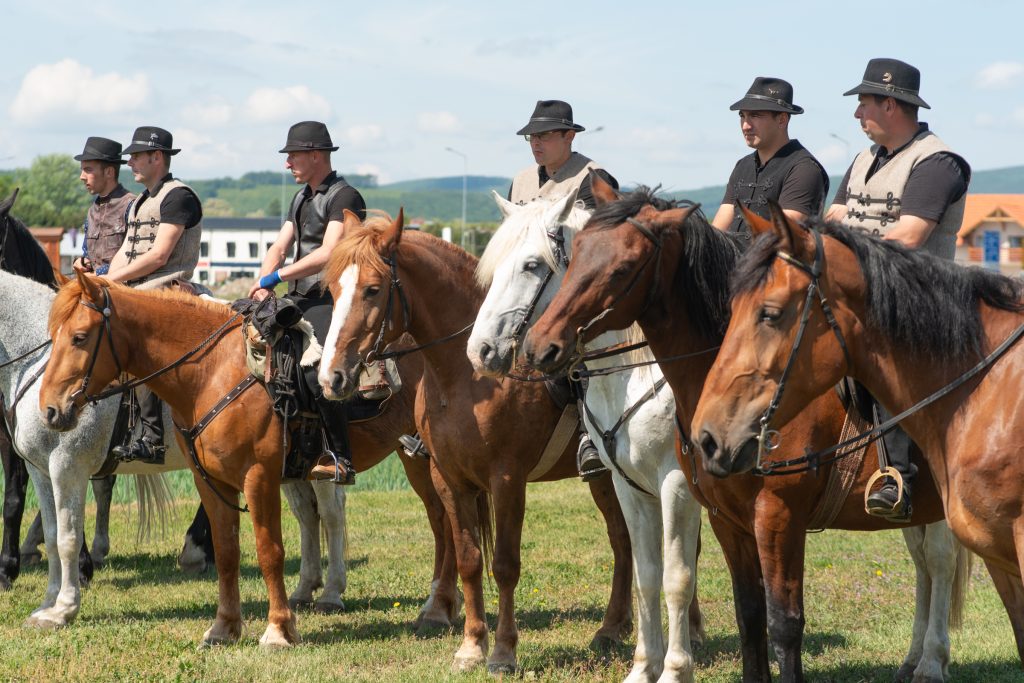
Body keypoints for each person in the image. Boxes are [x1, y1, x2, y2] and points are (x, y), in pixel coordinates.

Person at [825, 58, 971, 523]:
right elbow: (831, 219)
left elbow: (908, 237)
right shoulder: (863, 158)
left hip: (919, 303)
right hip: (859, 292)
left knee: (884, 351)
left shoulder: (938, 163)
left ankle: (897, 477)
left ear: (889, 104)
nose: (856, 115)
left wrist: (847, 229)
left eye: (863, 103)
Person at [249, 121, 366, 485]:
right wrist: (262, 284)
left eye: (293, 155)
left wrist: (276, 278)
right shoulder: (300, 197)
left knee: (319, 372)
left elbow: (328, 255)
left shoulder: (346, 197)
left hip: (329, 297)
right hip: (297, 295)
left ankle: (340, 458)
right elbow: (280, 246)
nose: (288, 164)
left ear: (316, 155)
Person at [509, 99, 619, 481]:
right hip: (526, 291)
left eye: (543, 135)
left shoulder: (594, 179)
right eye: (530, 137)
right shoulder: (521, 180)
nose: (535, 143)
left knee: (582, 356)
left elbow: (597, 248)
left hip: (573, 294)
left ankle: (589, 437)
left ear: (569, 136)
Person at [106, 126, 204, 466]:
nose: (129, 162)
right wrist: (102, 279)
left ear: (156, 157)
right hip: (137, 288)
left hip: (167, 286)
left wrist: (110, 282)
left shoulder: (180, 196)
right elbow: (124, 253)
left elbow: (159, 256)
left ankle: (151, 437)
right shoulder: (139, 203)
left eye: (135, 156)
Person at [711, 77, 829, 238]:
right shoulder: (742, 166)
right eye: (742, 116)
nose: (746, 125)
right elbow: (716, 233)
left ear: (781, 120)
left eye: (755, 116)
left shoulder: (804, 169)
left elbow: (781, 238)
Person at [74, 137, 135, 275]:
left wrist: (98, 273)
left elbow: (134, 256)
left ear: (109, 172)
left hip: (121, 291)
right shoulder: (92, 211)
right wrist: (82, 262)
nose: (82, 177)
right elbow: (88, 255)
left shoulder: (131, 206)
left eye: (88, 170)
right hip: (96, 288)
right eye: (82, 170)